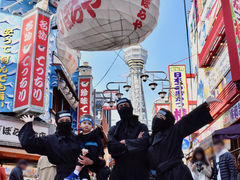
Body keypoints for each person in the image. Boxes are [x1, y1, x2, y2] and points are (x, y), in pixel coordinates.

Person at [144, 96, 221, 180]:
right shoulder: (150, 138)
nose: (158, 118)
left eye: (162, 117)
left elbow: (188, 120)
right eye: (157, 116)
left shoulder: (174, 132)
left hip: (177, 174)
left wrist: (205, 104)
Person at [18, 110, 94, 180]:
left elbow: (97, 158)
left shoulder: (79, 139)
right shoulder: (50, 140)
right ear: (56, 123)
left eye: (67, 120)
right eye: (62, 121)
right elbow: (29, 143)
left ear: (71, 122)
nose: (65, 123)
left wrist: (90, 162)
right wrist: (28, 124)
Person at [107, 98, 149, 180]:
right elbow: (112, 148)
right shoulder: (114, 129)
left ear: (131, 107)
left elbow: (145, 143)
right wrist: (135, 142)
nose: (123, 107)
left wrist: (125, 142)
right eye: (121, 106)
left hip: (139, 172)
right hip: (119, 172)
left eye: (125, 105)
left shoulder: (142, 127)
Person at [65, 114, 109, 180]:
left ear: (92, 126)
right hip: (85, 154)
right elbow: (80, 143)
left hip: (95, 155)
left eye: (89, 124)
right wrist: (82, 149)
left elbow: (100, 145)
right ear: (80, 125)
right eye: (84, 123)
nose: (86, 125)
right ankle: (77, 174)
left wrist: (101, 154)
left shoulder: (96, 135)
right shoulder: (78, 137)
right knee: (80, 159)